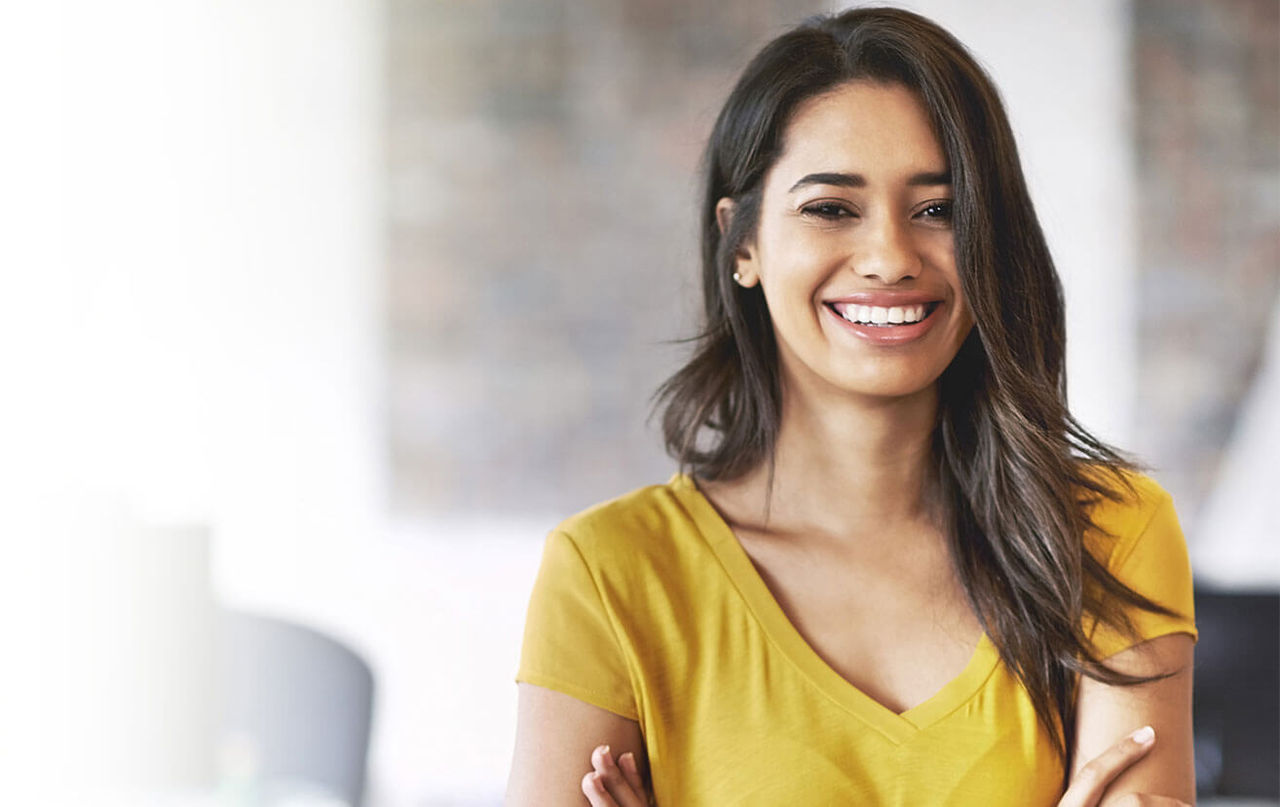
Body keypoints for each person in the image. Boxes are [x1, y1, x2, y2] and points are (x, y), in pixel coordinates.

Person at [504, 8, 1197, 805]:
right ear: (744, 244)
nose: (891, 259)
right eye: (832, 208)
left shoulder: (1111, 537)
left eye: (939, 209)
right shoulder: (610, 573)